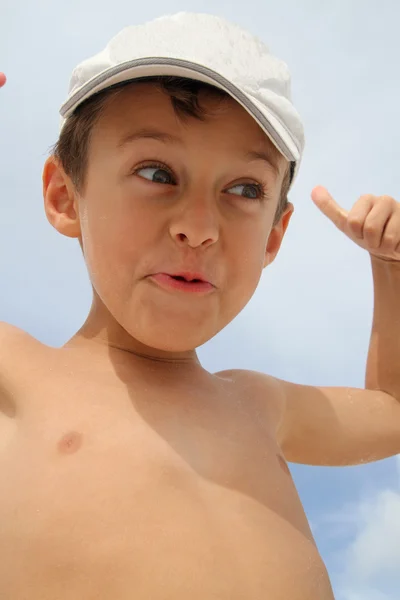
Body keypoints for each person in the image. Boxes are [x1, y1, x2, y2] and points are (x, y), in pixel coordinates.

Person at [0, 12, 399, 600]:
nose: (198, 226)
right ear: (64, 196)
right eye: (157, 172)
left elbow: (391, 412)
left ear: (273, 237)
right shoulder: (18, 372)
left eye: (244, 190)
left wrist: (390, 271)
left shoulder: (259, 404)